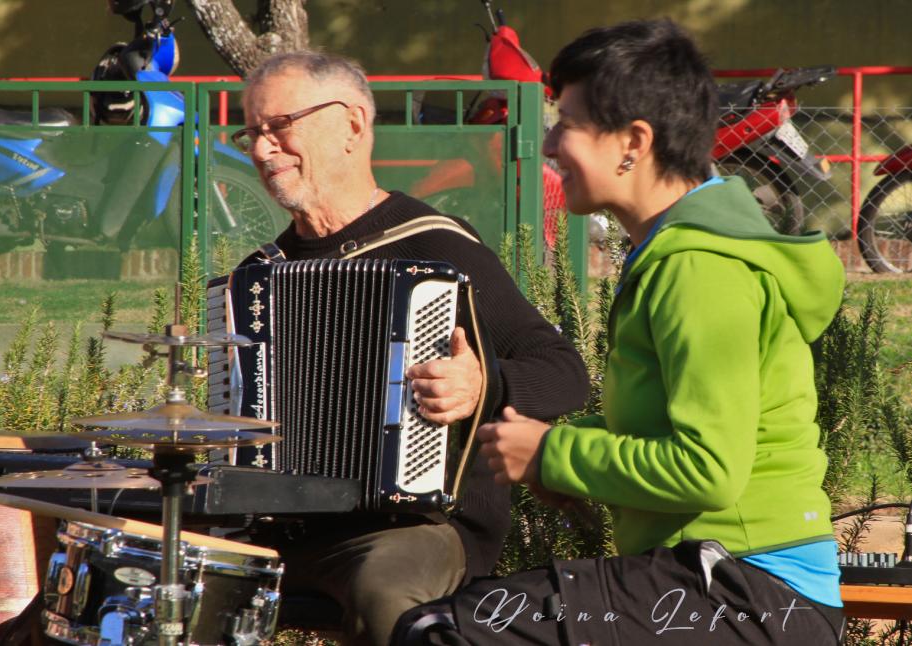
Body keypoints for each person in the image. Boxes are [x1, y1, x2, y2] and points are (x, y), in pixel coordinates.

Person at [392, 19, 846, 646]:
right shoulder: (674, 253)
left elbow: (708, 470)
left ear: (633, 142)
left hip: (751, 592)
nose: (549, 144)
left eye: (567, 123)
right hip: (710, 579)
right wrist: (550, 451)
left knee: (440, 631)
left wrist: (553, 453)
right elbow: (662, 434)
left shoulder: (700, 269)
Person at [230, 50, 590, 646]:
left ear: (351, 125)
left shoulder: (437, 250)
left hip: (419, 526)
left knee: (384, 592)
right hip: (283, 524)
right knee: (151, 565)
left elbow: (564, 372)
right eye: (253, 132)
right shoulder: (260, 280)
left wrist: (485, 387)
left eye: (280, 127)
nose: (262, 151)